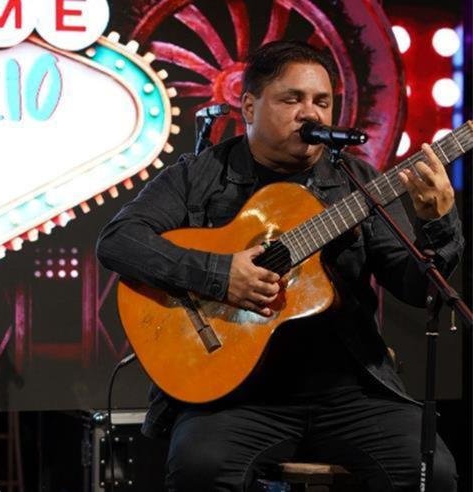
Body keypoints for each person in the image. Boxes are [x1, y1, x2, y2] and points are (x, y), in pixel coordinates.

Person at [97, 40, 464, 491]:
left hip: (349, 390)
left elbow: (418, 288)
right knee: (199, 469)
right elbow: (119, 241)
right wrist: (221, 276)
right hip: (236, 398)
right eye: (293, 99)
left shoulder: (359, 183)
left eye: (322, 102)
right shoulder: (198, 176)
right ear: (249, 107)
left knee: (432, 473)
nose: (311, 114)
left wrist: (437, 223)